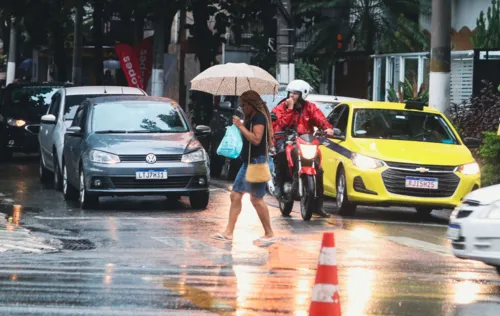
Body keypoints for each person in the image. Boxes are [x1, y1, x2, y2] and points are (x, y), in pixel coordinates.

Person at [212, 90, 275, 244]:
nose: (242, 108)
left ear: (251, 105)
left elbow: (256, 139)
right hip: (247, 162)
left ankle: (269, 232)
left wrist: (240, 126)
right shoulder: (252, 117)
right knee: (235, 195)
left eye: (244, 105)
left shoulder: (259, 118)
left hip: (257, 162)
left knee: (256, 199)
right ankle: (228, 232)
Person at [272, 79, 334, 217]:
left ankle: (318, 205)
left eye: (295, 93)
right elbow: (280, 123)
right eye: (290, 92)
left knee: (319, 169)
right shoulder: (282, 106)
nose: (292, 95)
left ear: (302, 94)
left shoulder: (310, 107)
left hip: (306, 141)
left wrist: (328, 128)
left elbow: (320, 119)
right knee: (281, 154)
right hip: (286, 140)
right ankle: (279, 188)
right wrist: (289, 109)